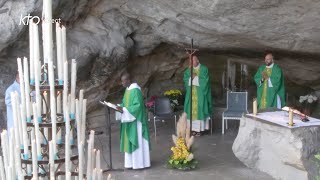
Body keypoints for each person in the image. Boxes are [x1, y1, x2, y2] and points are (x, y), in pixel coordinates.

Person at [117, 73, 151, 169]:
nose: (122, 83)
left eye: (123, 81)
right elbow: (125, 103)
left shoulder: (135, 90)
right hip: (129, 120)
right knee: (129, 140)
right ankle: (130, 163)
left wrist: (124, 110)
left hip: (136, 121)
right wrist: (119, 107)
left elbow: (138, 106)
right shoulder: (127, 90)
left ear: (128, 80)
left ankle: (139, 163)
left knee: (137, 139)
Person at [183, 54, 212, 136]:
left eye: (193, 60)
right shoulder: (188, 70)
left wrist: (196, 77)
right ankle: (192, 129)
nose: (191, 62)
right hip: (191, 95)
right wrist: (191, 77)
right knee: (190, 111)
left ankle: (200, 130)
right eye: (190, 61)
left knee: (200, 109)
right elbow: (185, 80)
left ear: (198, 60)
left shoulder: (204, 69)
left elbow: (206, 81)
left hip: (201, 95)